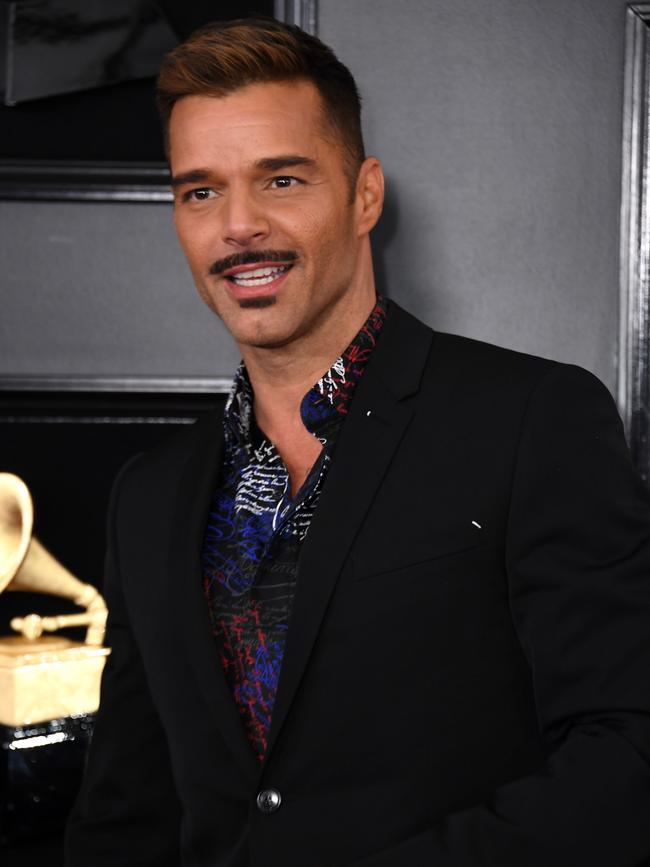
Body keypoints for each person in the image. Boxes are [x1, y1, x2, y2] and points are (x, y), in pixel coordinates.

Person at [65, 17, 650, 867]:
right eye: (200, 191)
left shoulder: (532, 418)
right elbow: (125, 813)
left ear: (363, 194)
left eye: (282, 180)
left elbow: (629, 750)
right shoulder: (148, 496)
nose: (238, 226)